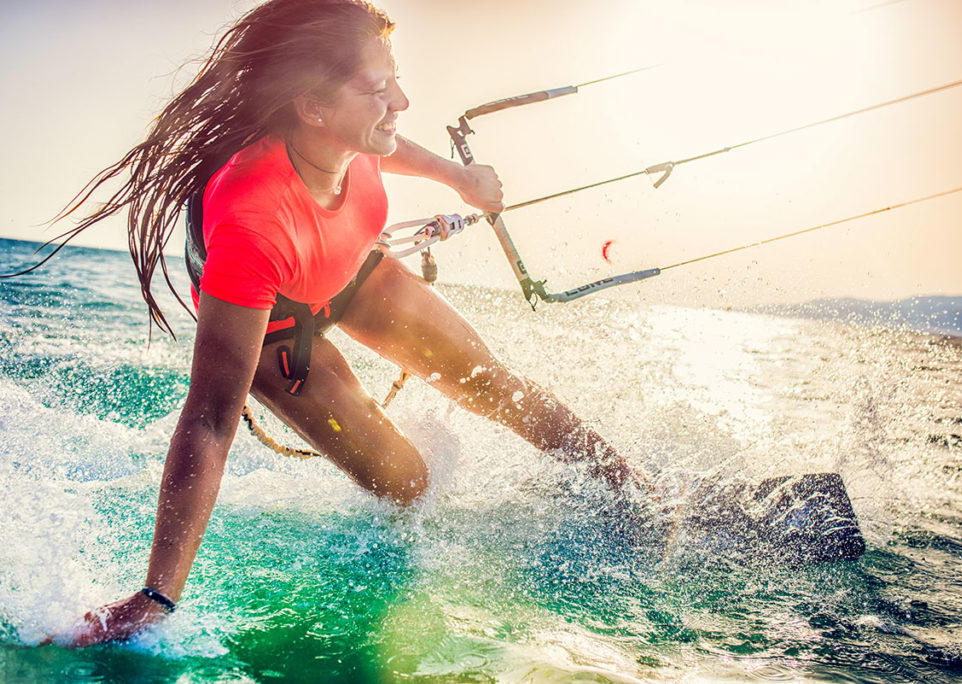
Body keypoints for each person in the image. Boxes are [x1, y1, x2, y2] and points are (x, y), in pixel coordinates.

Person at [43, 0, 644, 648]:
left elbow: (386, 147)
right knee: (408, 485)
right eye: (380, 89)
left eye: (396, 79)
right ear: (314, 108)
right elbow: (211, 418)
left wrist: (459, 178)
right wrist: (157, 596)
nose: (403, 101)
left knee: (497, 387)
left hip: (353, 270)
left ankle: (637, 496)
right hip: (276, 330)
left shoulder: (352, 134)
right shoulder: (251, 221)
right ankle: (390, 460)